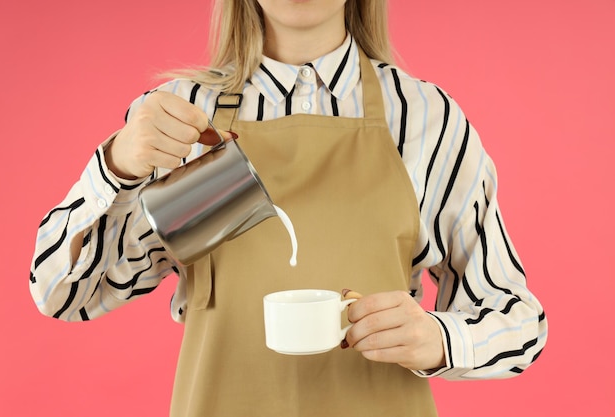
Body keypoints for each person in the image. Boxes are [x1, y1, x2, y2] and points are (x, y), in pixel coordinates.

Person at [29, 1, 548, 416]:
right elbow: (62, 293)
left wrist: (439, 338)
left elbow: (519, 320)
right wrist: (114, 166)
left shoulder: (425, 119)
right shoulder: (180, 117)